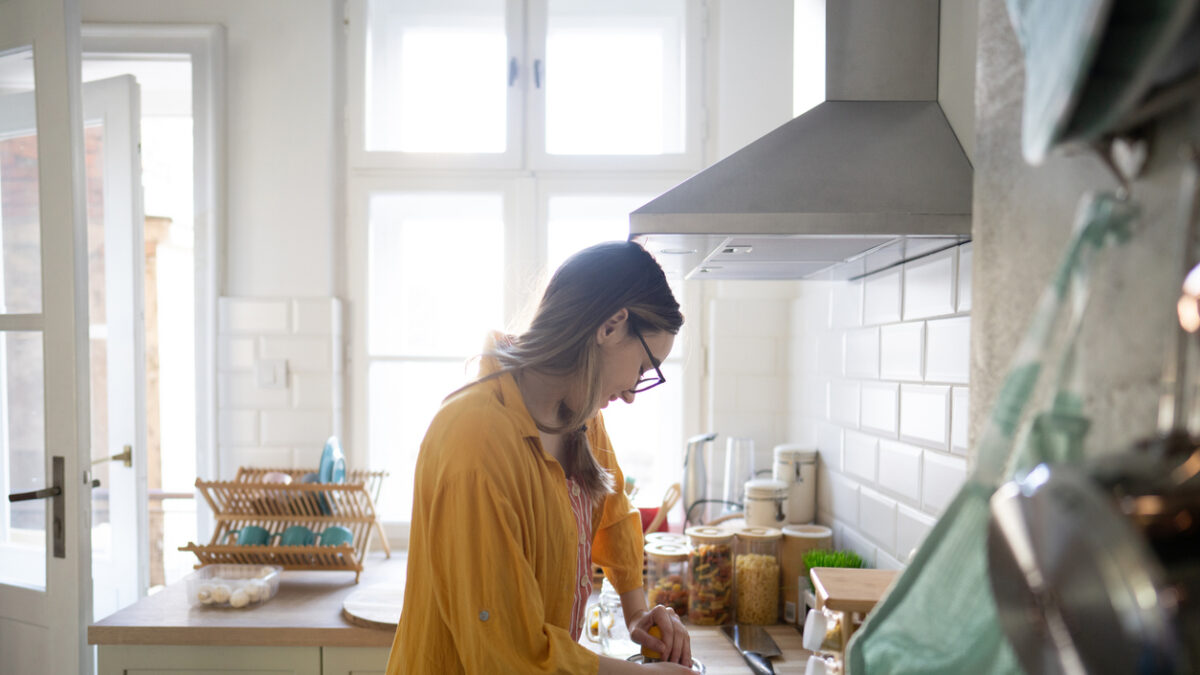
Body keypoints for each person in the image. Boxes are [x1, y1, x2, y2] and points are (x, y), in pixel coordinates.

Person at [386, 241, 693, 673]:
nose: (630, 394)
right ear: (611, 326)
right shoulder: (474, 440)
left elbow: (614, 510)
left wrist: (637, 612)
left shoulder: (581, 416)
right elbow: (507, 652)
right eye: (644, 368)